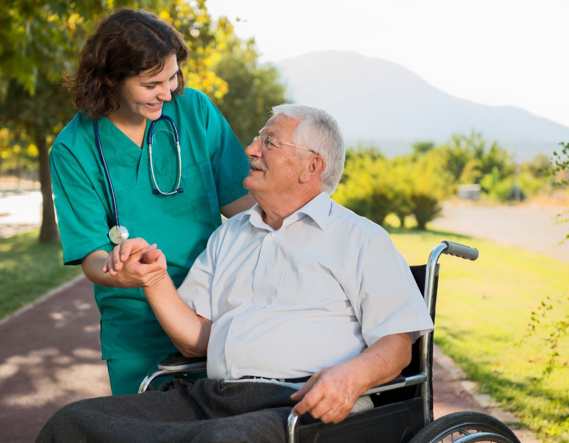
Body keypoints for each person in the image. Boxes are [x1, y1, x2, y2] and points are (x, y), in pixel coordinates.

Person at [38, 105, 434, 443]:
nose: (250, 150)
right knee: (71, 424)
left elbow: (398, 346)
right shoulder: (230, 234)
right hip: (214, 398)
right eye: (258, 140)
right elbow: (197, 341)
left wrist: (352, 377)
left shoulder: (360, 238)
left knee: (220, 441)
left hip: (301, 403)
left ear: (311, 167)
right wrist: (155, 280)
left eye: (269, 142)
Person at [50, 8, 255, 395]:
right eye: (151, 84)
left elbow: (243, 203)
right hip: (137, 327)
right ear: (110, 79)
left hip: (216, 308)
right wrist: (119, 270)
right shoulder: (72, 149)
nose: (167, 92)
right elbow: (91, 254)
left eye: (172, 76)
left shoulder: (194, 111)